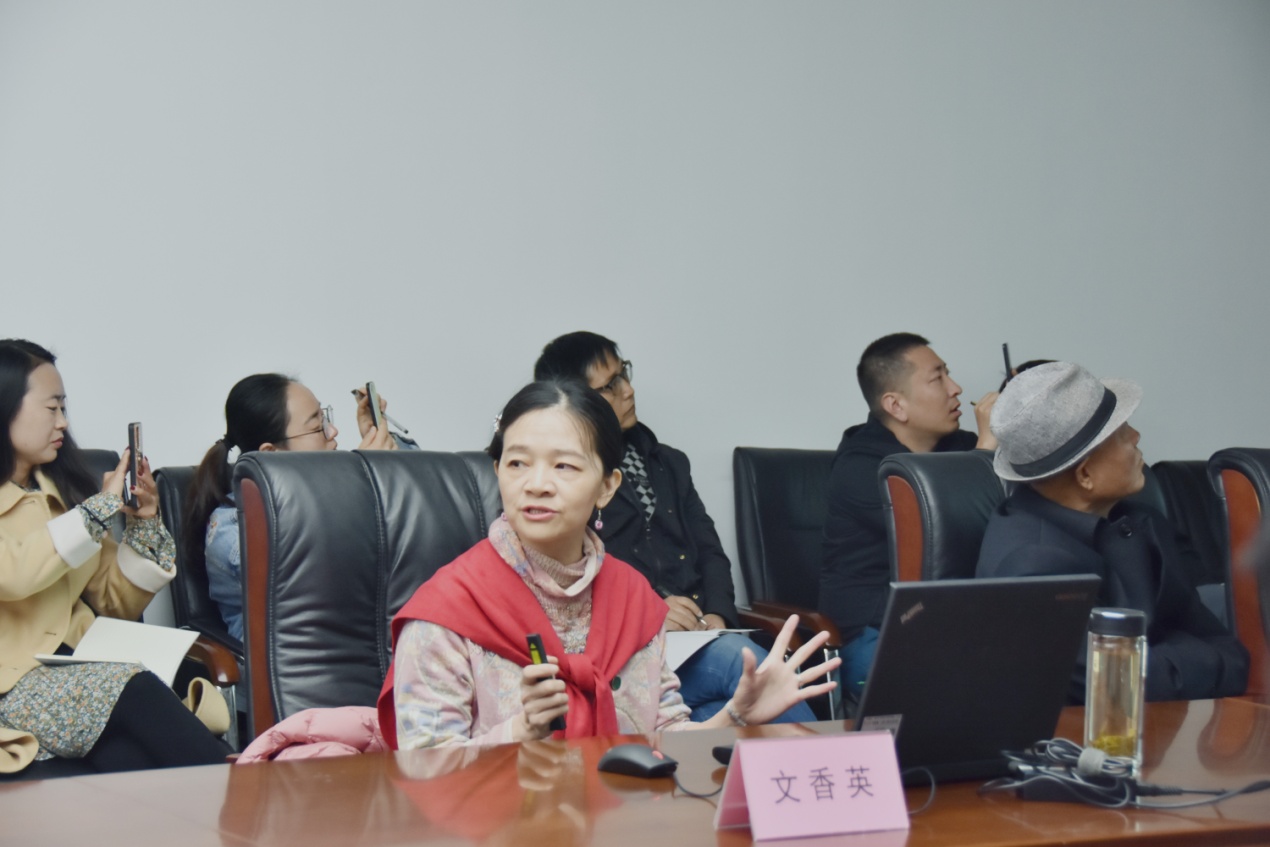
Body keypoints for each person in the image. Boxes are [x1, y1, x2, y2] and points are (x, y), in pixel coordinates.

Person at [377, 380, 837, 747]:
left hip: (623, 819)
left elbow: (661, 738)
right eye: (517, 464)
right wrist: (521, 731)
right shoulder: (449, 609)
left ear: (607, 487)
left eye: (564, 466)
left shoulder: (632, 597)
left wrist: (735, 717)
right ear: (497, 471)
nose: (536, 484)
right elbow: (422, 769)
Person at [533, 332, 814, 723]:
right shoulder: (563, 477)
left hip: (698, 638)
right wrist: (651, 612)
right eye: (610, 385)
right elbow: (568, 578)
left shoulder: (668, 462)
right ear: (575, 402)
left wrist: (717, 616)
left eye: (624, 374)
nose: (628, 390)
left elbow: (710, 551)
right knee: (744, 665)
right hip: (625, 651)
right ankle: (838, 758)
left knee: (720, 715)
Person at [0, 339, 229, 777]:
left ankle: (247, 799)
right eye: (52, 408)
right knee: (132, 687)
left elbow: (113, 600)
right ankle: (256, 795)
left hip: (73, 673)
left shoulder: (59, 494)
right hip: (11, 686)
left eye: (64, 408)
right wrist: (98, 509)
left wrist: (143, 521)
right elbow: (13, 572)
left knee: (133, 760)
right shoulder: (80, 512)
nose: (63, 422)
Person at [976, 362, 1249, 702]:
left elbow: (1226, 648)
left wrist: (1169, 657)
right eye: (1121, 433)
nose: (1136, 436)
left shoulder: (1138, 519)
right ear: (1085, 475)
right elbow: (1116, 681)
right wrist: (1191, 656)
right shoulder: (1032, 564)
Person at [820, 332, 998, 694]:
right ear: (896, 405)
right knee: (959, 691)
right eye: (938, 378)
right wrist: (986, 452)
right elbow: (947, 527)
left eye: (949, 374)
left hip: (952, 620)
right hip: (877, 630)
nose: (956, 388)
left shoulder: (959, 446)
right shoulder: (861, 467)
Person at [184, 373, 404, 642]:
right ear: (270, 454)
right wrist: (361, 484)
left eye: (325, 417)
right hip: (290, 661)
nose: (333, 432)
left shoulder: (328, 490)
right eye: (317, 426)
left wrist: (384, 446)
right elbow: (325, 583)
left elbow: (420, 526)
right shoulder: (234, 529)